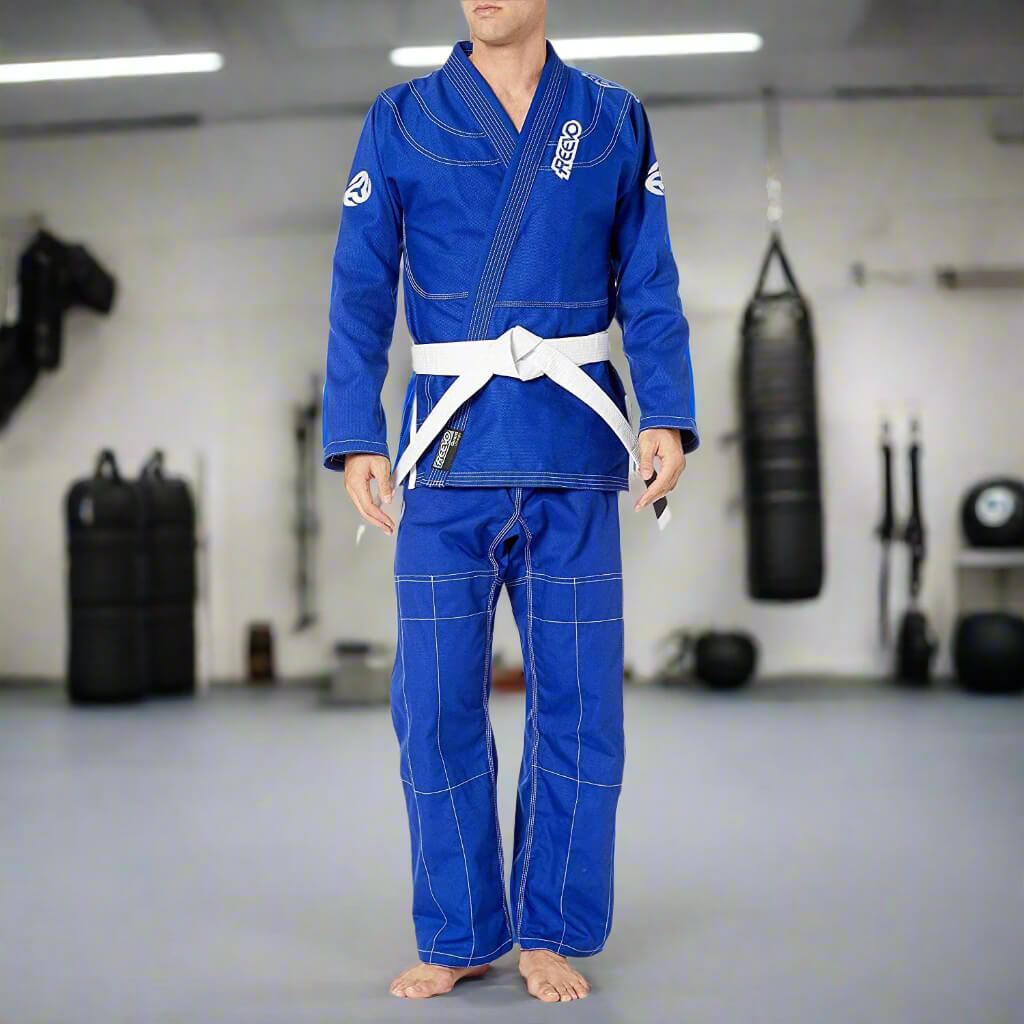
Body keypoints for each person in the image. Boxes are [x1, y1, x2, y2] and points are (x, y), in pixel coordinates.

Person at [323, 0, 698, 1004]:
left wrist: (665, 409)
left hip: (572, 455)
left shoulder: (612, 119)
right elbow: (360, 284)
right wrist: (354, 429)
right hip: (442, 462)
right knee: (435, 709)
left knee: (579, 711)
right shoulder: (401, 119)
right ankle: (458, 929)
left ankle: (550, 929)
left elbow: (650, 280)